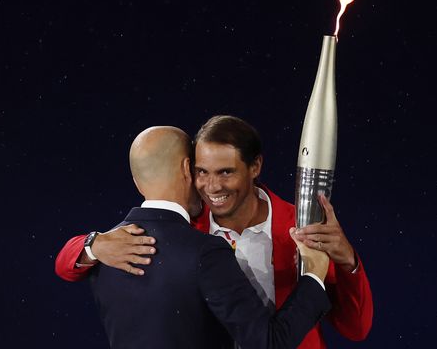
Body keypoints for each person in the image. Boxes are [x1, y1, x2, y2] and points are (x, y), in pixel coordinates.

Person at [55, 116, 373, 348]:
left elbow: (356, 328)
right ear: (187, 170)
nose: (212, 186)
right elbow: (65, 265)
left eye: (226, 172)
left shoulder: (303, 226)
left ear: (255, 167)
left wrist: (348, 262)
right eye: (202, 172)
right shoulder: (185, 231)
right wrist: (93, 245)